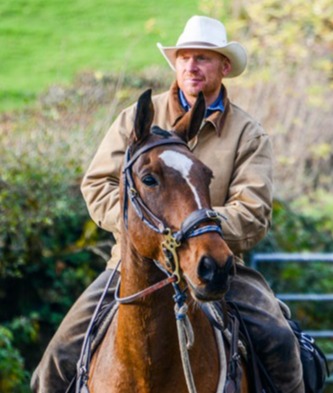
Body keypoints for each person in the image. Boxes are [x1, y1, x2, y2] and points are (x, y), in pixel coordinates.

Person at [31, 15, 304, 392]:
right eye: (185, 57)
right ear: (175, 63)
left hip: (217, 264)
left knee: (280, 344)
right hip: (132, 265)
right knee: (55, 363)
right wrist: (146, 231)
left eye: (204, 58)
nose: (192, 66)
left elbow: (253, 212)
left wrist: (193, 230)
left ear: (224, 67)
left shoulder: (248, 134)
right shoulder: (135, 119)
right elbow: (98, 184)